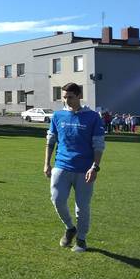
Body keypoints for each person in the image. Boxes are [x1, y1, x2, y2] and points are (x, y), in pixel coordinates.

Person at [44, 82, 105, 253]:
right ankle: (70, 228)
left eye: (70, 97)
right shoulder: (58, 116)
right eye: (64, 97)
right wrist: (46, 163)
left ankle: (81, 239)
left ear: (79, 96)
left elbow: (99, 145)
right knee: (57, 200)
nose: (66, 100)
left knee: (82, 207)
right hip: (61, 166)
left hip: (84, 169)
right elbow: (50, 141)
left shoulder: (93, 117)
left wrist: (94, 167)